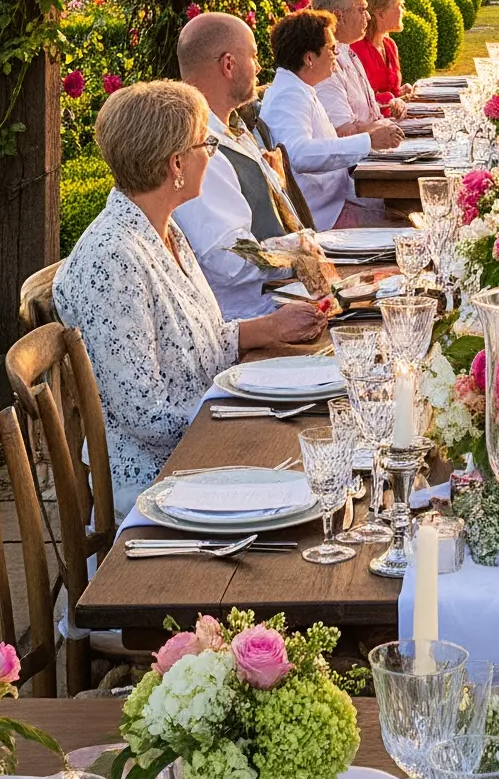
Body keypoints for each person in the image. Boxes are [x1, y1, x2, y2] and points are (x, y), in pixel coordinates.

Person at [53, 79, 331, 515]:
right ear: (176, 163)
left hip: (205, 445)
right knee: (320, 471)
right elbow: (145, 415)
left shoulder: (162, 226)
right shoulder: (114, 258)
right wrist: (246, 411)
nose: (212, 154)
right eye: (207, 144)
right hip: (165, 479)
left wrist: (266, 329)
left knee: (328, 445)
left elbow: (191, 344)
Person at [172, 10, 335, 321]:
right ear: (228, 65)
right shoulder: (200, 147)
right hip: (254, 316)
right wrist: (299, 248)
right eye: (254, 56)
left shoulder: (232, 128)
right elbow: (229, 259)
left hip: (285, 296)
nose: (260, 67)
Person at [261, 8, 401, 229]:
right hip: (327, 217)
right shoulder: (288, 95)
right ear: (309, 59)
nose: (336, 57)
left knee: (410, 211)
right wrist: (369, 141)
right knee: (411, 230)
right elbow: (298, 154)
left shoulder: (300, 88)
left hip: (339, 201)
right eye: (332, 49)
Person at [313, 0, 405, 132]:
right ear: (339, 16)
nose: (368, 17)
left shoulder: (346, 51)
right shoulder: (325, 64)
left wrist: (394, 103)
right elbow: (342, 132)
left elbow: (367, 112)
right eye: (361, 10)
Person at [353, 0, 407, 114]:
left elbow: (392, 92)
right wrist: (391, 99)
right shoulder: (355, 49)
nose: (402, 11)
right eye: (398, 5)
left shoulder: (389, 45)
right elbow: (357, 102)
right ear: (380, 12)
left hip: (395, 125)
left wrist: (402, 93)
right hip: (371, 129)